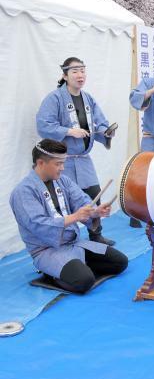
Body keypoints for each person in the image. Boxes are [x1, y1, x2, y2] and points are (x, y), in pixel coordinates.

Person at [9, 140, 127, 294]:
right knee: (84, 282)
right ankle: (52, 274)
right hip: (47, 250)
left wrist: (95, 212)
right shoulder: (23, 191)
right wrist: (75, 217)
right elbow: (38, 225)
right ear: (40, 163)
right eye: (58, 164)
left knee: (120, 263)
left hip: (74, 244)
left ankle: (77, 268)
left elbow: (82, 201)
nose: (62, 168)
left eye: (63, 163)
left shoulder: (63, 181)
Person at [36, 57, 116, 246]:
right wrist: (69, 131)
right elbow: (43, 124)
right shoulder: (54, 98)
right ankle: (62, 239)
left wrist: (106, 131)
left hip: (83, 160)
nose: (80, 75)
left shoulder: (88, 98)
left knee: (94, 195)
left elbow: (100, 122)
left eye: (82, 70)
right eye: (75, 71)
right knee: (62, 200)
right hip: (62, 162)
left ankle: (96, 235)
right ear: (65, 75)